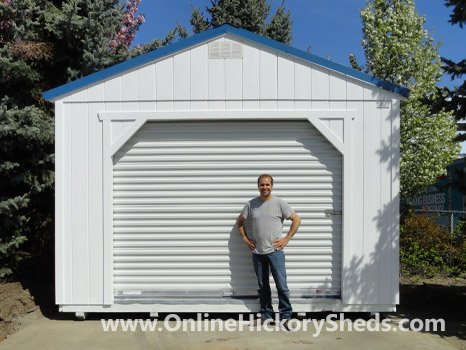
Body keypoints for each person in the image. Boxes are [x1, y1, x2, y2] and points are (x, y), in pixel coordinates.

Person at [236, 174, 301, 324]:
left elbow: (296, 219)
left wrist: (287, 238)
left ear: (272, 186)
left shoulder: (279, 203)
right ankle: (266, 315)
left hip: (275, 253)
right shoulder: (251, 204)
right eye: (262, 185)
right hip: (258, 253)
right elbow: (239, 222)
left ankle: (286, 316)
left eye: (267, 185)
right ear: (258, 186)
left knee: (281, 285)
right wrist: (246, 239)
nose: (265, 187)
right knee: (263, 285)